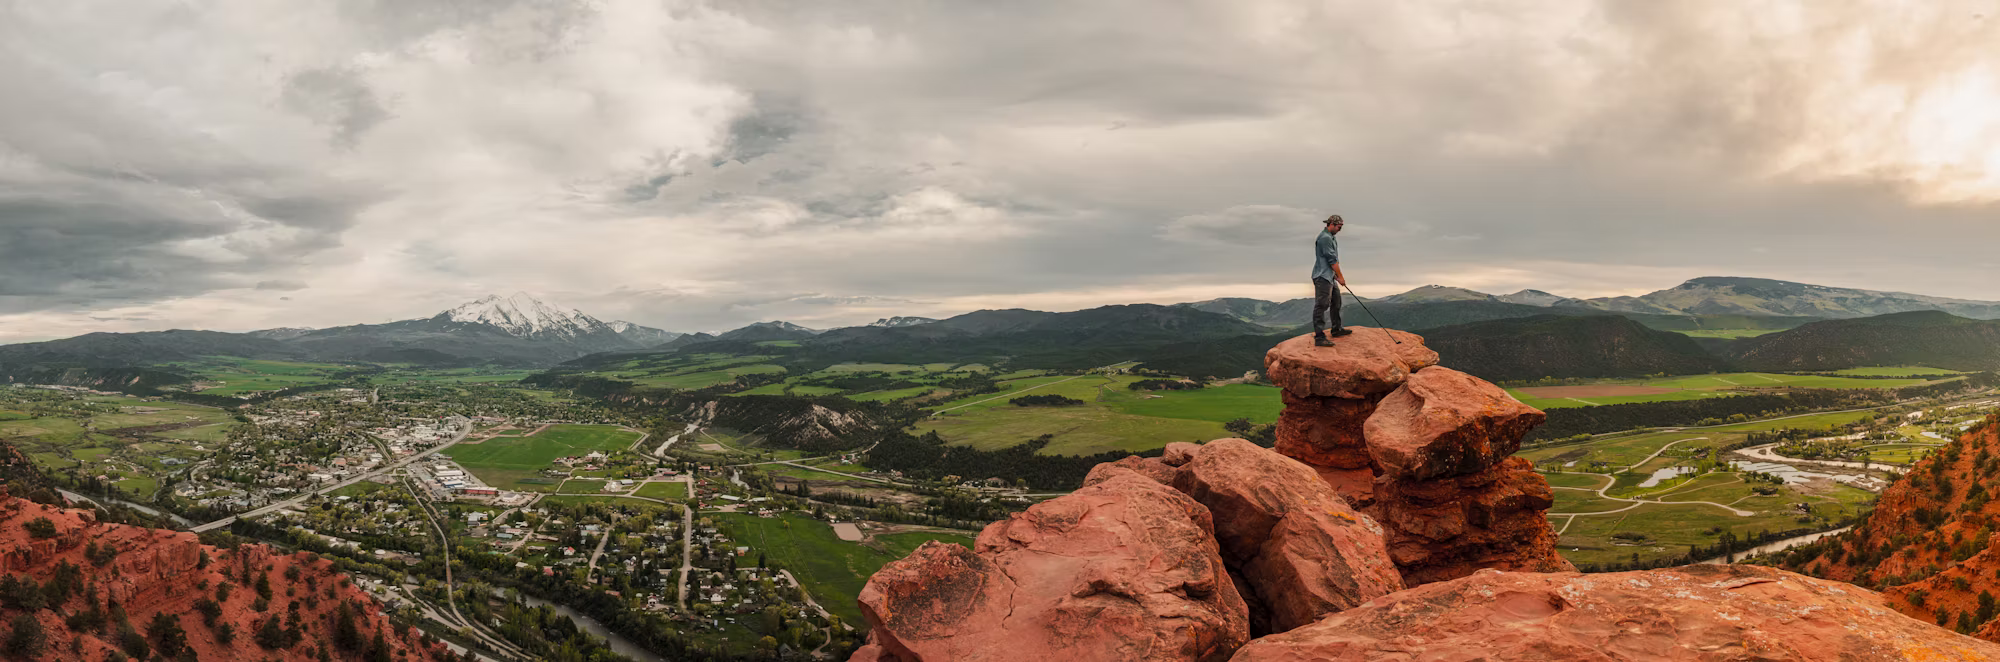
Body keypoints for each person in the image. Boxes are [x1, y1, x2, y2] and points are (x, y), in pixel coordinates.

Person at [1311, 214, 1349, 346]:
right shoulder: (1325, 238)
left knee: (1336, 301)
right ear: (1331, 224)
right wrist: (1341, 277)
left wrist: (1335, 275)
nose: (1340, 230)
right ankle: (1319, 337)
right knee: (1322, 305)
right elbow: (1332, 260)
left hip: (1329, 276)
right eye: (1339, 227)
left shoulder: (1331, 237)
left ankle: (1336, 329)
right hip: (1323, 276)